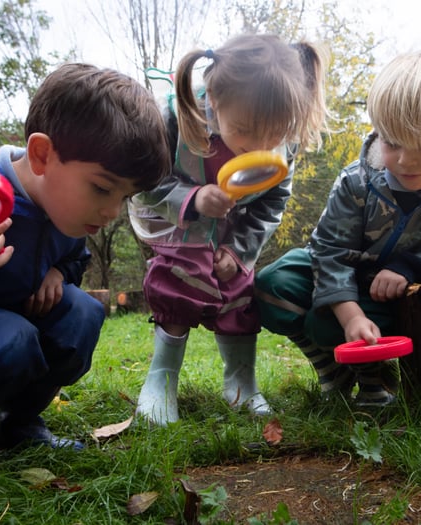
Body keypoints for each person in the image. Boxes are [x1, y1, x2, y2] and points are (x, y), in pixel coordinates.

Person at [0, 63, 170, 449]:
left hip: (11, 318)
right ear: (41, 154)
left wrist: (58, 272)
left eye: (125, 197)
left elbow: (75, 258)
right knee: (11, 339)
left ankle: (16, 426)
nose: (112, 212)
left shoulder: (66, 214)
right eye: (103, 189)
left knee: (81, 314)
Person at [255, 50, 421, 406]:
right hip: (350, 282)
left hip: (415, 296)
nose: (406, 160)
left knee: (323, 323)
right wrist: (349, 313)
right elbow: (328, 250)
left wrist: (416, 267)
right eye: (392, 142)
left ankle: (376, 382)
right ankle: (331, 366)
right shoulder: (356, 182)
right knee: (273, 284)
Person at [129, 33, 330, 425]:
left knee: (239, 289)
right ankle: (161, 378)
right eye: (246, 129)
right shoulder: (171, 118)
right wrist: (193, 199)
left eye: (274, 134)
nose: (260, 144)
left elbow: (273, 202)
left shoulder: (279, 136)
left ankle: (241, 382)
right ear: (215, 101)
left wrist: (238, 250)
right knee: (177, 280)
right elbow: (142, 184)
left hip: (233, 229)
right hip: (174, 225)